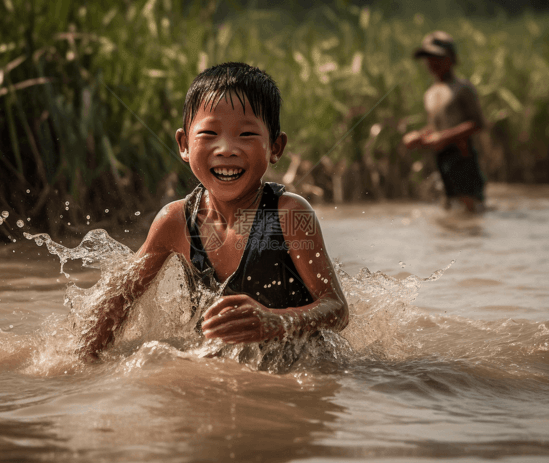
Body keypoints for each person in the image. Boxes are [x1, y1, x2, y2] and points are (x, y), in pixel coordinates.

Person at [79, 62, 349, 360]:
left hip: (302, 370)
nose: (226, 149)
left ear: (275, 147)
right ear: (184, 145)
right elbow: (119, 300)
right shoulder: (176, 221)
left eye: (246, 134)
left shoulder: (290, 214)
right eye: (209, 134)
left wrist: (277, 321)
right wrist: (80, 365)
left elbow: (336, 309)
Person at [403, 30, 486, 212]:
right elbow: (436, 127)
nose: (433, 62)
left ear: (452, 59)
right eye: (428, 57)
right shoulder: (430, 93)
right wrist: (419, 136)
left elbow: (478, 123)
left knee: (470, 209)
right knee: (450, 208)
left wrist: (444, 138)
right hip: (442, 158)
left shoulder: (462, 88)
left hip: (462, 157)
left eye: (438, 57)